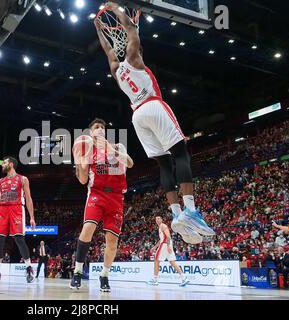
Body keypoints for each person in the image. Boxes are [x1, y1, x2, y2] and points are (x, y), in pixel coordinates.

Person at [94, 1, 215, 243]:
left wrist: (98, 26)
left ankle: (176, 214)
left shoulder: (117, 71)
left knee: (163, 164)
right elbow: (129, 28)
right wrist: (116, 8)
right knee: (181, 154)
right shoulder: (134, 57)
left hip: (137, 116)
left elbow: (108, 49)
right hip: (153, 104)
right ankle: (191, 209)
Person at [70, 118, 133, 292]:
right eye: (96, 127)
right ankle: (77, 271)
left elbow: (129, 163)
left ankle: (104, 275)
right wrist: (86, 152)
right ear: (90, 132)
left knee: (112, 242)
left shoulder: (118, 146)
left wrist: (108, 146)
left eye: (102, 127)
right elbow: (83, 179)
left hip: (116, 197)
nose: (100, 129)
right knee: (88, 228)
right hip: (97, 194)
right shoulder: (88, 151)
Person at [0, 156, 36, 284]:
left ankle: (29, 268)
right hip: (2, 210)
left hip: (17, 209)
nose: (2, 165)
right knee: (0, 241)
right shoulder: (0, 181)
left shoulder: (23, 179)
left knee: (19, 239)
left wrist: (32, 217)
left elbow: (29, 199)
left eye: (4, 163)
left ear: (12, 164)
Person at [149, 216, 189, 286]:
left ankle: (155, 280)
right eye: (156, 219)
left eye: (159, 218)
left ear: (161, 219)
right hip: (166, 244)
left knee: (156, 260)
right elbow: (161, 239)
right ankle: (184, 278)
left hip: (165, 245)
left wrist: (168, 246)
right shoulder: (160, 227)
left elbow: (168, 237)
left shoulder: (163, 226)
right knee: (172, 262)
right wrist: (155, 247)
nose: (157, 220)